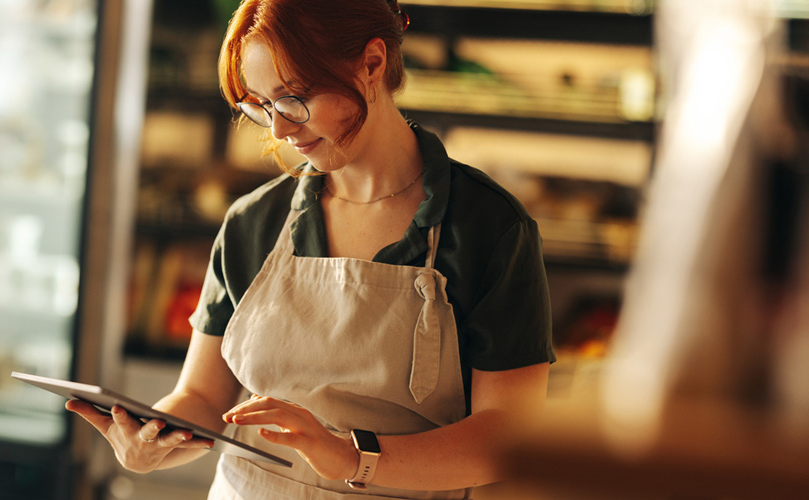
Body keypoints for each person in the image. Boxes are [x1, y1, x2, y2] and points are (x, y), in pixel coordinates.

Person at [68, 0, 554, 497]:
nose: (278, 129)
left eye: (293, 98)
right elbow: (201, 397)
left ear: (372, 63)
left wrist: (351, 456)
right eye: (259, 105)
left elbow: (505, 438)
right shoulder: (253, 223)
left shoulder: (489, 228)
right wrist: (153, 437)